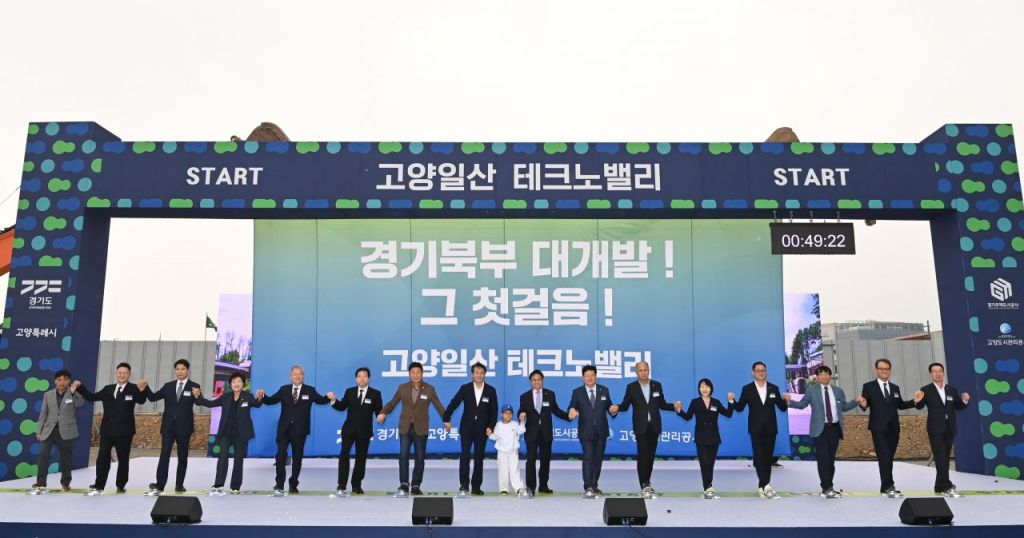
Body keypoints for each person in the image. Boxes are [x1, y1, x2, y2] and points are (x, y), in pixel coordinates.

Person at [256, 364, 334, 495]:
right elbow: (271, 400)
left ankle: (293, 484)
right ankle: (279, 484)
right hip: (284, 429)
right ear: (290, 376)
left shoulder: (310, 390)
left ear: (303, 376)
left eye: (300, 374)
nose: (297, 376)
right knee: (280, 454)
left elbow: (321, 400)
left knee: (297, 458)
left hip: (300, 430)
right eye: (295, 374)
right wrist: (262, 396)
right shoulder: (284, 389)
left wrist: (328, 397)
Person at [786, 365, 860, 498]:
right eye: (821, 374)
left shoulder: (838, 391)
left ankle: (829, 485)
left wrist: (856, 401)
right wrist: (789, 402)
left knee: (830, 460)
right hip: (820, 429)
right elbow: (802, 405)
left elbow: (844, 407)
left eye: (826, 374)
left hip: (835, 429)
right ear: (817, 377)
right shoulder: (812, 390)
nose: (824, 376)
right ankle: (827, 487)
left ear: (830, 376)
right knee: (823, 459)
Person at [77, 362, 151, 495]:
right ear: (116, 374)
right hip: (108, 431)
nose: (122, 375)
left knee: (123, 459)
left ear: (129, 374)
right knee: (102, 458)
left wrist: (143, 389)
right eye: (119, 372)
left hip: (125, 431)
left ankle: (121, 485)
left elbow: (141, 400)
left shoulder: (133, 388)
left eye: (125, 373)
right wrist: (80, 387)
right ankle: (99, 485)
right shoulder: (108, 389)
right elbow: (92, 397)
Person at [378, 361, 446, 495]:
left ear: (422, 374)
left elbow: (439, 405)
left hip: (421, 428)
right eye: (413, 373)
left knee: (420, 458)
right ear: (409, 374)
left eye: (418, 372)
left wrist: (446, 419)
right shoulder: (402, 388)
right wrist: (383, 412)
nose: (415, 375)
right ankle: (404, 484)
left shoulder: (429, 389)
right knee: (403, 455)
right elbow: (392, 403)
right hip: (405, 427)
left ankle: (416, 485)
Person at [616, 361, 679, 495]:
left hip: (654, 426)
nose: (643, 372)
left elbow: (662, 404)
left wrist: (674, 406)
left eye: (645, 369)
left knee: (650, 456)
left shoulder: (657, 385)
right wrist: (616, 408)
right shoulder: (631, 387)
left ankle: (647, 483)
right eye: (640, 370)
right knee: (643, 455)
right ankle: (644, 484)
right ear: (636, 372)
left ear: (649, 370)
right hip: (641, 427)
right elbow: (625, 406)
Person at [193, 372, 262, 494]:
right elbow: (210, 403)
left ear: (243, 384)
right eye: (234, 382)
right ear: (230, 384)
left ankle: (235, 486)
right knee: (222, 459)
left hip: (241, 434)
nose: (236, 384)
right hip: (225, 433)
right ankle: (218, 484)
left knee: (238, 460)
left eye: (239, 381)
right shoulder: (225, 397)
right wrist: (198, 396)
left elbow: (256, 404)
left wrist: (260, 397)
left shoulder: (248, 396)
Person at [859, 358, 916, 497]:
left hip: (894, 428)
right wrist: (863, 404)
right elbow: (865, 404)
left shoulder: (895, 388)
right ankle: (889, 485)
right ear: (876, 370)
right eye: (881, 369)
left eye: (887, 369)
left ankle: (885, 486)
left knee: (889, 457)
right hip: (878, 428)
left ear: (890, 370)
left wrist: (915, 401)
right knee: (884, 455)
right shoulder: (868, 386)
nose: (884, 371)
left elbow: (900, 405)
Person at [731, 361, 789, 500]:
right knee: (759, 457)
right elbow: (739, 407)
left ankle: (763, 486)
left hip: (771, 428)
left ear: (766, 372)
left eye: (763, 370)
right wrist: (732, 401)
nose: (761, 372)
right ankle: (766, 485)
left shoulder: (774, 388)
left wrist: (786, 400)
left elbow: (782, 408)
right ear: (753, 373)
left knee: (767, 458)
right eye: (758, 370)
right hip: (755, 428)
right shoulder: (747, 389)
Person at [145, 359, 201, 494]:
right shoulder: (168, 386)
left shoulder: (194, 386)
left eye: (183, 369)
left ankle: (179, 484)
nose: (180, 371)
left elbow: (199, 403)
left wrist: (198, 396)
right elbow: (153, 397)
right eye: (177, 369)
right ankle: (159, 484)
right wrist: (145, 388)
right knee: (164, 454)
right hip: (168, 427)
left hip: (184, 427)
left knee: (183, 456)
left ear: (187, 370)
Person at [914, 362, 970, 497]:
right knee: (940, 457)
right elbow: (920, 406)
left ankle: (939, 486)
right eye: (934, 371)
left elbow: (958, 406)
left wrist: (964, 401)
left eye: (940, 371)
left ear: (943, 373)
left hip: (949, 427)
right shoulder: (926, 389)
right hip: (935, 428)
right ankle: (946, 486)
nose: (937, 373)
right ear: (931, 374)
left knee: (944, 457)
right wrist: (917, 400)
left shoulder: (951, 389)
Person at [443, 362, 498, 495]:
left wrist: (491, 426)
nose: (479, 375)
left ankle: (476, 487)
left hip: (482, 430)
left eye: (481, 373)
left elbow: (494, 411)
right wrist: (446, 417)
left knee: (479, 458)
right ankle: (464, 485)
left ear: (484, 374)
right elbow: (454, 403)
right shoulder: (465, 388)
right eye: (476, 373)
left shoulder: (490, 390)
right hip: (467, 428)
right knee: (465, 456)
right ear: (472, 374)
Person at [567, 364, 619, 498]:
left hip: (601, 430)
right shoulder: (577, 392)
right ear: (583, 378)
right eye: (587, 376)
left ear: (596, 376)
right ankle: (588, 486)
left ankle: (594, 485)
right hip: (586, 430)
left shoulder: (604, 390)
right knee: (588, 457)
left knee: (598, 459)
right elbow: (572, 406)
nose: (589, 378)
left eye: (592, 375)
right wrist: (572, 411)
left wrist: (613, 410)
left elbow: (609, 406)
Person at [677, 378, 734, 499]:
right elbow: (687, 417)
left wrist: (730, 401)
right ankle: (707, 486)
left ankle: (709, 485)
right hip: (701, 437)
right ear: (699, 389)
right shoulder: (695, 402)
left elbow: (728, 414)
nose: (704, 389)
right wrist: (679, 410)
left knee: (710, 463)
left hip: (714, 436)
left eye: (707, 387)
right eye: (702, 387)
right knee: (704, 462)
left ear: (711, 389)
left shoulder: (716, 402)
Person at [329, 367, 382, 495]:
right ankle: (341, 484)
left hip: (364, 431)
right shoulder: (350, 391)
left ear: (368, 378)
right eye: (359, 376)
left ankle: (356, 485)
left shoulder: (375, 393)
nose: (362, 378)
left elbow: (379, 410)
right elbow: (342, 407)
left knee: (361, 458)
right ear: (356, 379)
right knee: (344, 455)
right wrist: (334, 400)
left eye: (365, 376)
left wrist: (381, 416)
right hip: (348, 430)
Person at [517, 369, 570, 495]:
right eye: (534, 380)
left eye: (539, 380)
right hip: (531, 433)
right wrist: (520, 414)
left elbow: (556, 410)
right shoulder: (524, 396)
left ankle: (543, 485)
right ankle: (530, 487)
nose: (536, 382)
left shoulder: (550, 394)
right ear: (530, 382)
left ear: (542, 381)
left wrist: (568, 416)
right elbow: (521, 411)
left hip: (546, 433)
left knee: (545, 460)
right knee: (531, 460)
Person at [31, 369, 84, 492]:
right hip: (49, 430)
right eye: (59, 380)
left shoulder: (73, 393)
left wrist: (73, 392)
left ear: (69, 381)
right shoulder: (48, 394)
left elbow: (80, 403)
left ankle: (66, 483)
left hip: (66, 431)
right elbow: (43, 413)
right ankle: (41, 482)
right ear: (55, 381)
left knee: (65, 459)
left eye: (65, 380)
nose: (62, 382)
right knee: (43, 455)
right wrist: (38, 430)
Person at [489, 404, 526, 495]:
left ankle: (518, 488)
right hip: (502, 451)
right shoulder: (498, 425)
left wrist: (522, 421)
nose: (508, 415)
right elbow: (494, 436)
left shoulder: (515, 424)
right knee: (503, 470)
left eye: (510, 413)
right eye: (506, 413)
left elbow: (522, 430)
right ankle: (504, 489)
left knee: (514, 469)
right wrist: (489, 434)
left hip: (513, 451)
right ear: (502, 414)